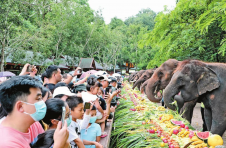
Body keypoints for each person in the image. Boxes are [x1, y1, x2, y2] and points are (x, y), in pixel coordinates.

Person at [0, 76, 69, 148]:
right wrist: (59, 146)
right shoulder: (6, 143)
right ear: (20, 106)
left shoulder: (33, 124)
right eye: (38, 99)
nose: (43, 103)